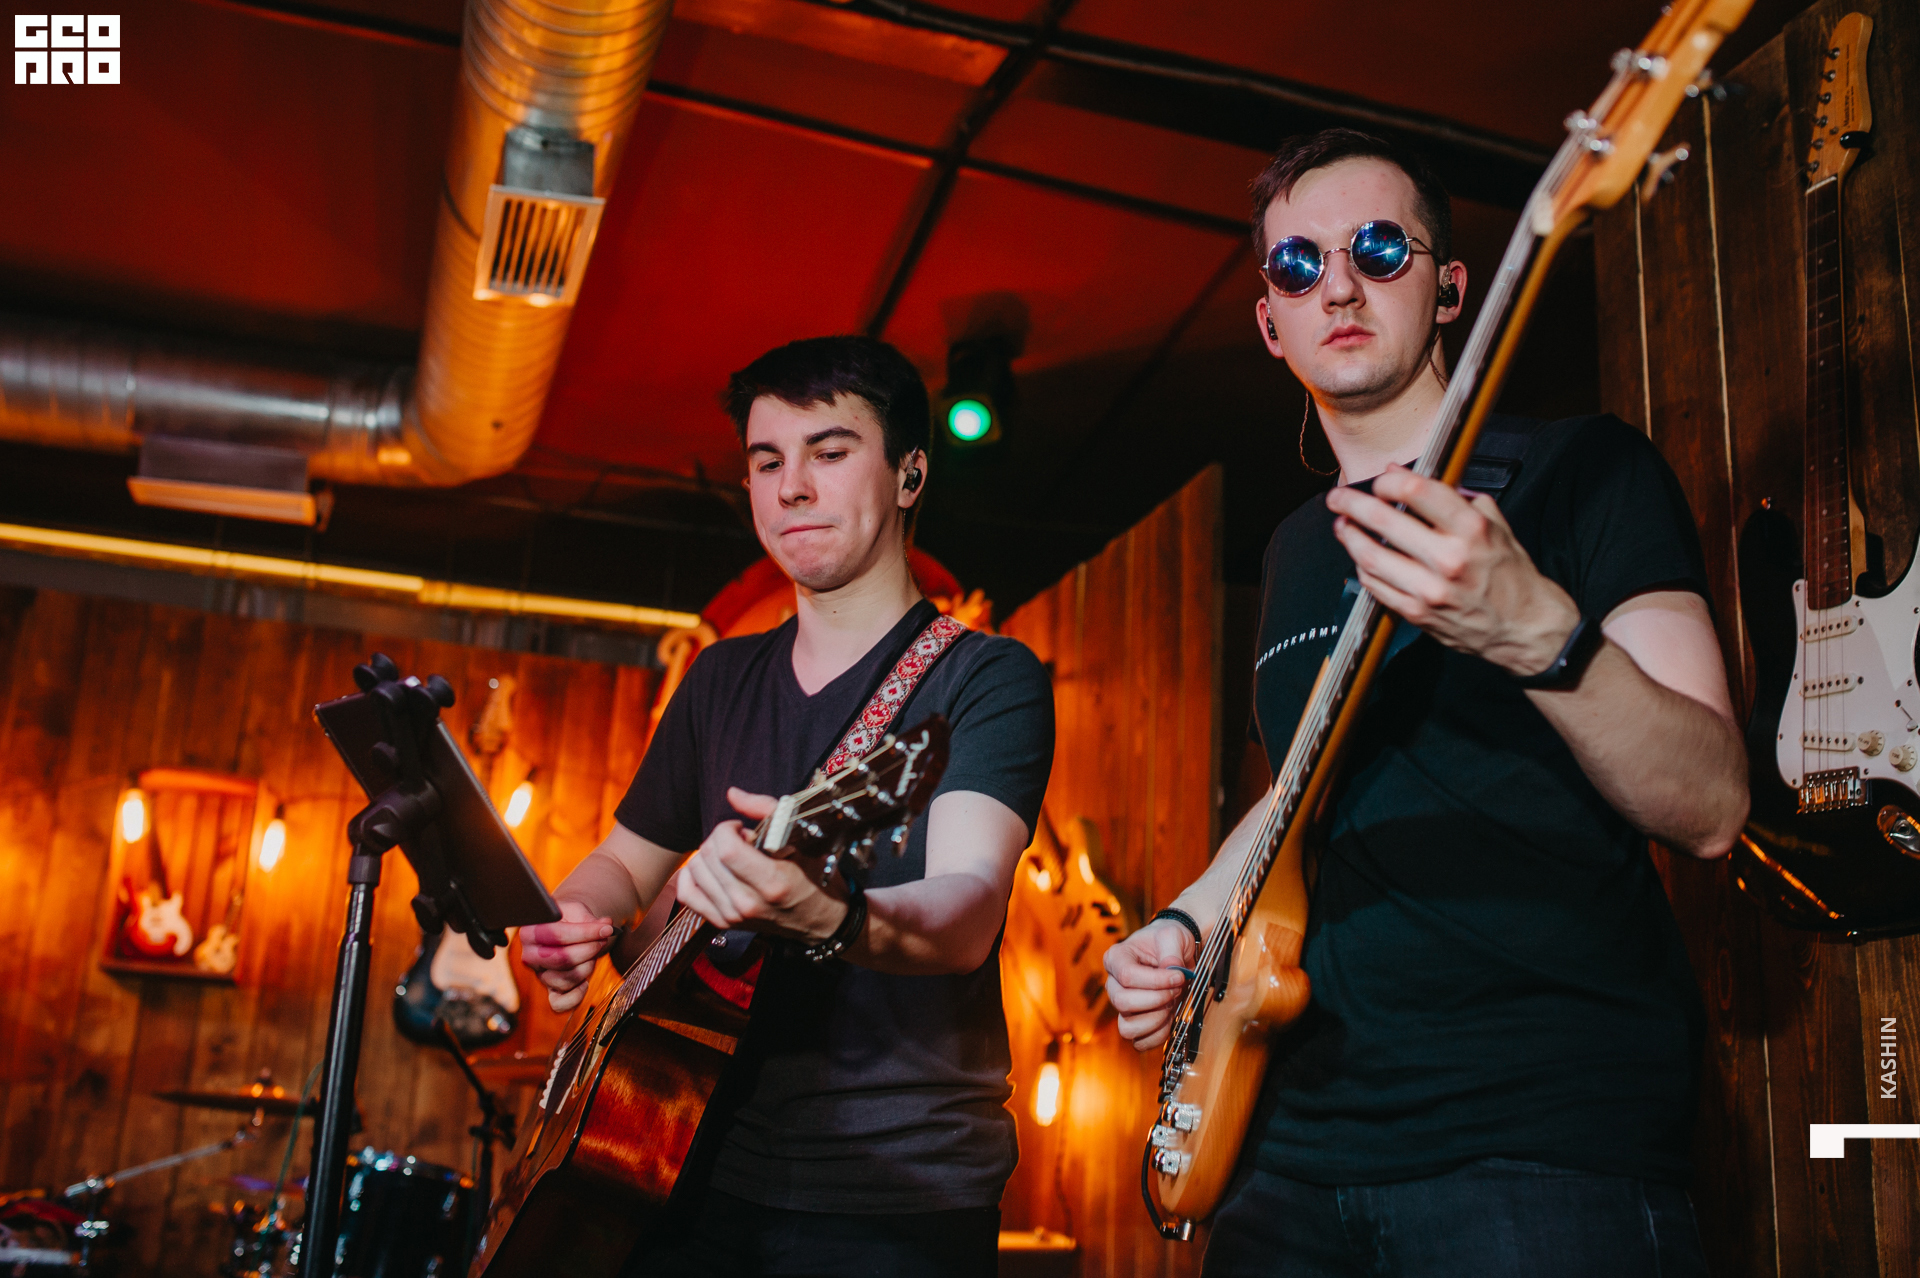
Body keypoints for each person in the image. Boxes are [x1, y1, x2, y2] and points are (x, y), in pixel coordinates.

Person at [1103, 129, 1748, 1277]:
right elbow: (1300, 790)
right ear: (1271, 323)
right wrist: (1185, 924)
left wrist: (1536, 630)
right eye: (1298, 265)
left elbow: (1709, 802)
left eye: (1379, 249)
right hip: (1287, 1149)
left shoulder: (1579, 472)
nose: (1338, 285)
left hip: (1537, 1138)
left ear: (1449, 288)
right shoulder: (1297, 548)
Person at [519, 335, 1054, 1277]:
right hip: (679, 1153)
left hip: (891, 1189)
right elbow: (623, 864)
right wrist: (576, 917)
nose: (792, 487)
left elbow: (969, 910)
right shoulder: (718, 677)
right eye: (767, 462)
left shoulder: (984, 678)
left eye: (829, 452)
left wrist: (830, 916)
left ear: (910, 473)